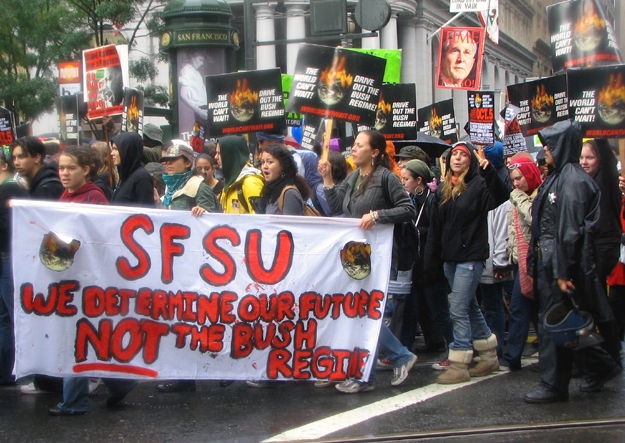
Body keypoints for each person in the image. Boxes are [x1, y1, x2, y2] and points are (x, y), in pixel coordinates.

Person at [524, 120, 621, 404]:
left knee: (553, 322)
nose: (545, 151)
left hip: (559, 264)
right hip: (552, 262)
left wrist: (562, 271)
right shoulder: (560, 176)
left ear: (562, 145)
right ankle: (599, 366)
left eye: (549, 145)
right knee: (562, 321)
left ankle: (554, 384)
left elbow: (569, 230)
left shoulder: (572, 180)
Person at [318, 129, 418, 393]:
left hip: (379, 255)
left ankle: (398, 358)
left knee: (365, 312)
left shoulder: (386, 178)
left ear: (374, 152)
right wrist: (327, 177)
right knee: (361, 313)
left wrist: (377, 215)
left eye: (359, 145)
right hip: (357, 255)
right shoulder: (353, 177)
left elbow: (408, 209)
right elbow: (337, 206)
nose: (353, 148)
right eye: (354, 144)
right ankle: (368, 375)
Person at [49, 147, 137, 416]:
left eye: (70, 168)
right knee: (85, 338)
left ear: (85, 170)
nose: (64, 173)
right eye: (61, 168)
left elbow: (101, 238)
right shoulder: (68, 195)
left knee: (75, 340)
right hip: (71, 276)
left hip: (87, 279)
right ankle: (119, 383)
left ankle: (75, 401)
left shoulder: (93, 197)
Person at [425, 141, 509, 384]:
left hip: (471, 257)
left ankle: (460, 362)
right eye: (455, 155)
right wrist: (432, 262)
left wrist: (489, 170)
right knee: (469, 306)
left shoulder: (480, 184)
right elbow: (436, 230)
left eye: (463, 155)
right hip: (450, 259)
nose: (458, 159)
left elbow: (500, 197)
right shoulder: (443, 189)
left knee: (458, 307)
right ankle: (489, 356)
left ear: (471, 161)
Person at [12, 136, 64, 395]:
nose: (17, 162)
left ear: (36, 157)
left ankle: (50, 379)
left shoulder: (46, 187)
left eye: (21, 156)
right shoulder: (38, 184)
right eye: (14, 157)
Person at [397, 160, 453, 355]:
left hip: (431, 266)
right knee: (410, 312)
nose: (403, 183)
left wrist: (419, 231)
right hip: (415, 265)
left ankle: (456, 350)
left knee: (441, 313)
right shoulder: (410, 200)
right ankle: (402, 352)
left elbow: (439, 230)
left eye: (406, 179)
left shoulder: (433, 198)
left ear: (419, 180)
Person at [579, 139, 622, 366]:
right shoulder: (586, 180)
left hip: (605, 244)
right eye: (582, 157)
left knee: (595, 300)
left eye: (590, 157)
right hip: (592, 244)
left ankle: (607, 357)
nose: (585, 162)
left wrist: (598, 128)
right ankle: (606, 355)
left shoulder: (607, 179)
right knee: (597, 300)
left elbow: (606, 155)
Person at [499, 156, 542, 371]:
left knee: (519, 308)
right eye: (513, 180)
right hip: (519, 262)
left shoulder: (537, 196)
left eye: (519, 178)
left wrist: (518, 197)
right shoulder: (517, 198)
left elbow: (534, 219)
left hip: (533, 262)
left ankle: (512, 356)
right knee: (533, 311)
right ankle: (548, 352)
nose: (516, 184)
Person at [0, 146, 27, 387]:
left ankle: (14, 370)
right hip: (5, 258)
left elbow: (11, 227)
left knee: (12, 315)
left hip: (9, 258)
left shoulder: (9, 187)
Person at [159, 142, 217, 214]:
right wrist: (157, 201)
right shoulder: (170, 186)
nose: (168, 163)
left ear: (188, 163)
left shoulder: (199, 186)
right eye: (166, 160)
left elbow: (211, 219)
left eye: (173, 159)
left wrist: (203, 211)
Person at [216, 135, 264, 214]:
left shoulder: (251, 183)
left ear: (230, 154)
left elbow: (260, 220)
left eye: (219, 153)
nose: (215, 157)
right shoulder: (229, 183)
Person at [258, 144, 310, 215]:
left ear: (283, 165)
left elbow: (290, 225)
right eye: (263, 162)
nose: (264, 166)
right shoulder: (269, 190)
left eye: (270, 162)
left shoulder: (289, 194)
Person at [110, 132, 155, 208]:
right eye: (112, 149)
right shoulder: (126, 176)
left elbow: (146, 211)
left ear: (128, 150)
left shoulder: (141, 178)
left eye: (116, 149)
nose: (112, 153)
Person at [179, 50, 209, 125]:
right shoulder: (187, 70)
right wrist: (199, 111)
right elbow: (183, 95)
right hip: (200, 109)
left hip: (205, 108)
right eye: (200, 60)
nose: (202, 63)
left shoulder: (196, 72)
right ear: (192, 58)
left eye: (203, 61)